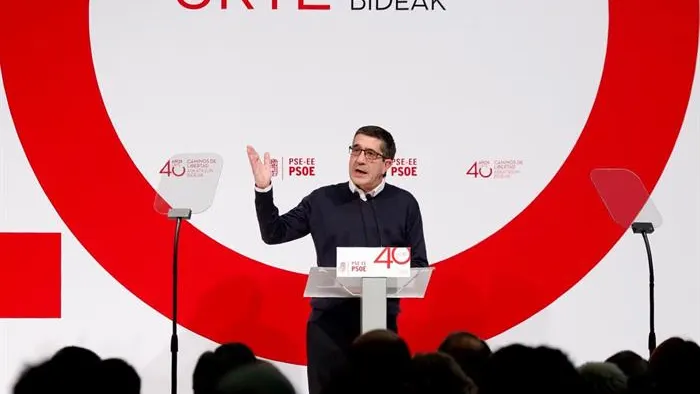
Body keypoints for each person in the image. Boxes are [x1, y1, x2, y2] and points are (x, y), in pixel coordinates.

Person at [246, 125, 429, 394]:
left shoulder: (405, 203)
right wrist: (264, 189)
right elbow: (274, 233)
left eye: (370, 153)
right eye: (355, 149)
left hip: (381, 331)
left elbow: (419, 265)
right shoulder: (322, 200)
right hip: (329, 327)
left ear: (387, 164)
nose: (360, 159)